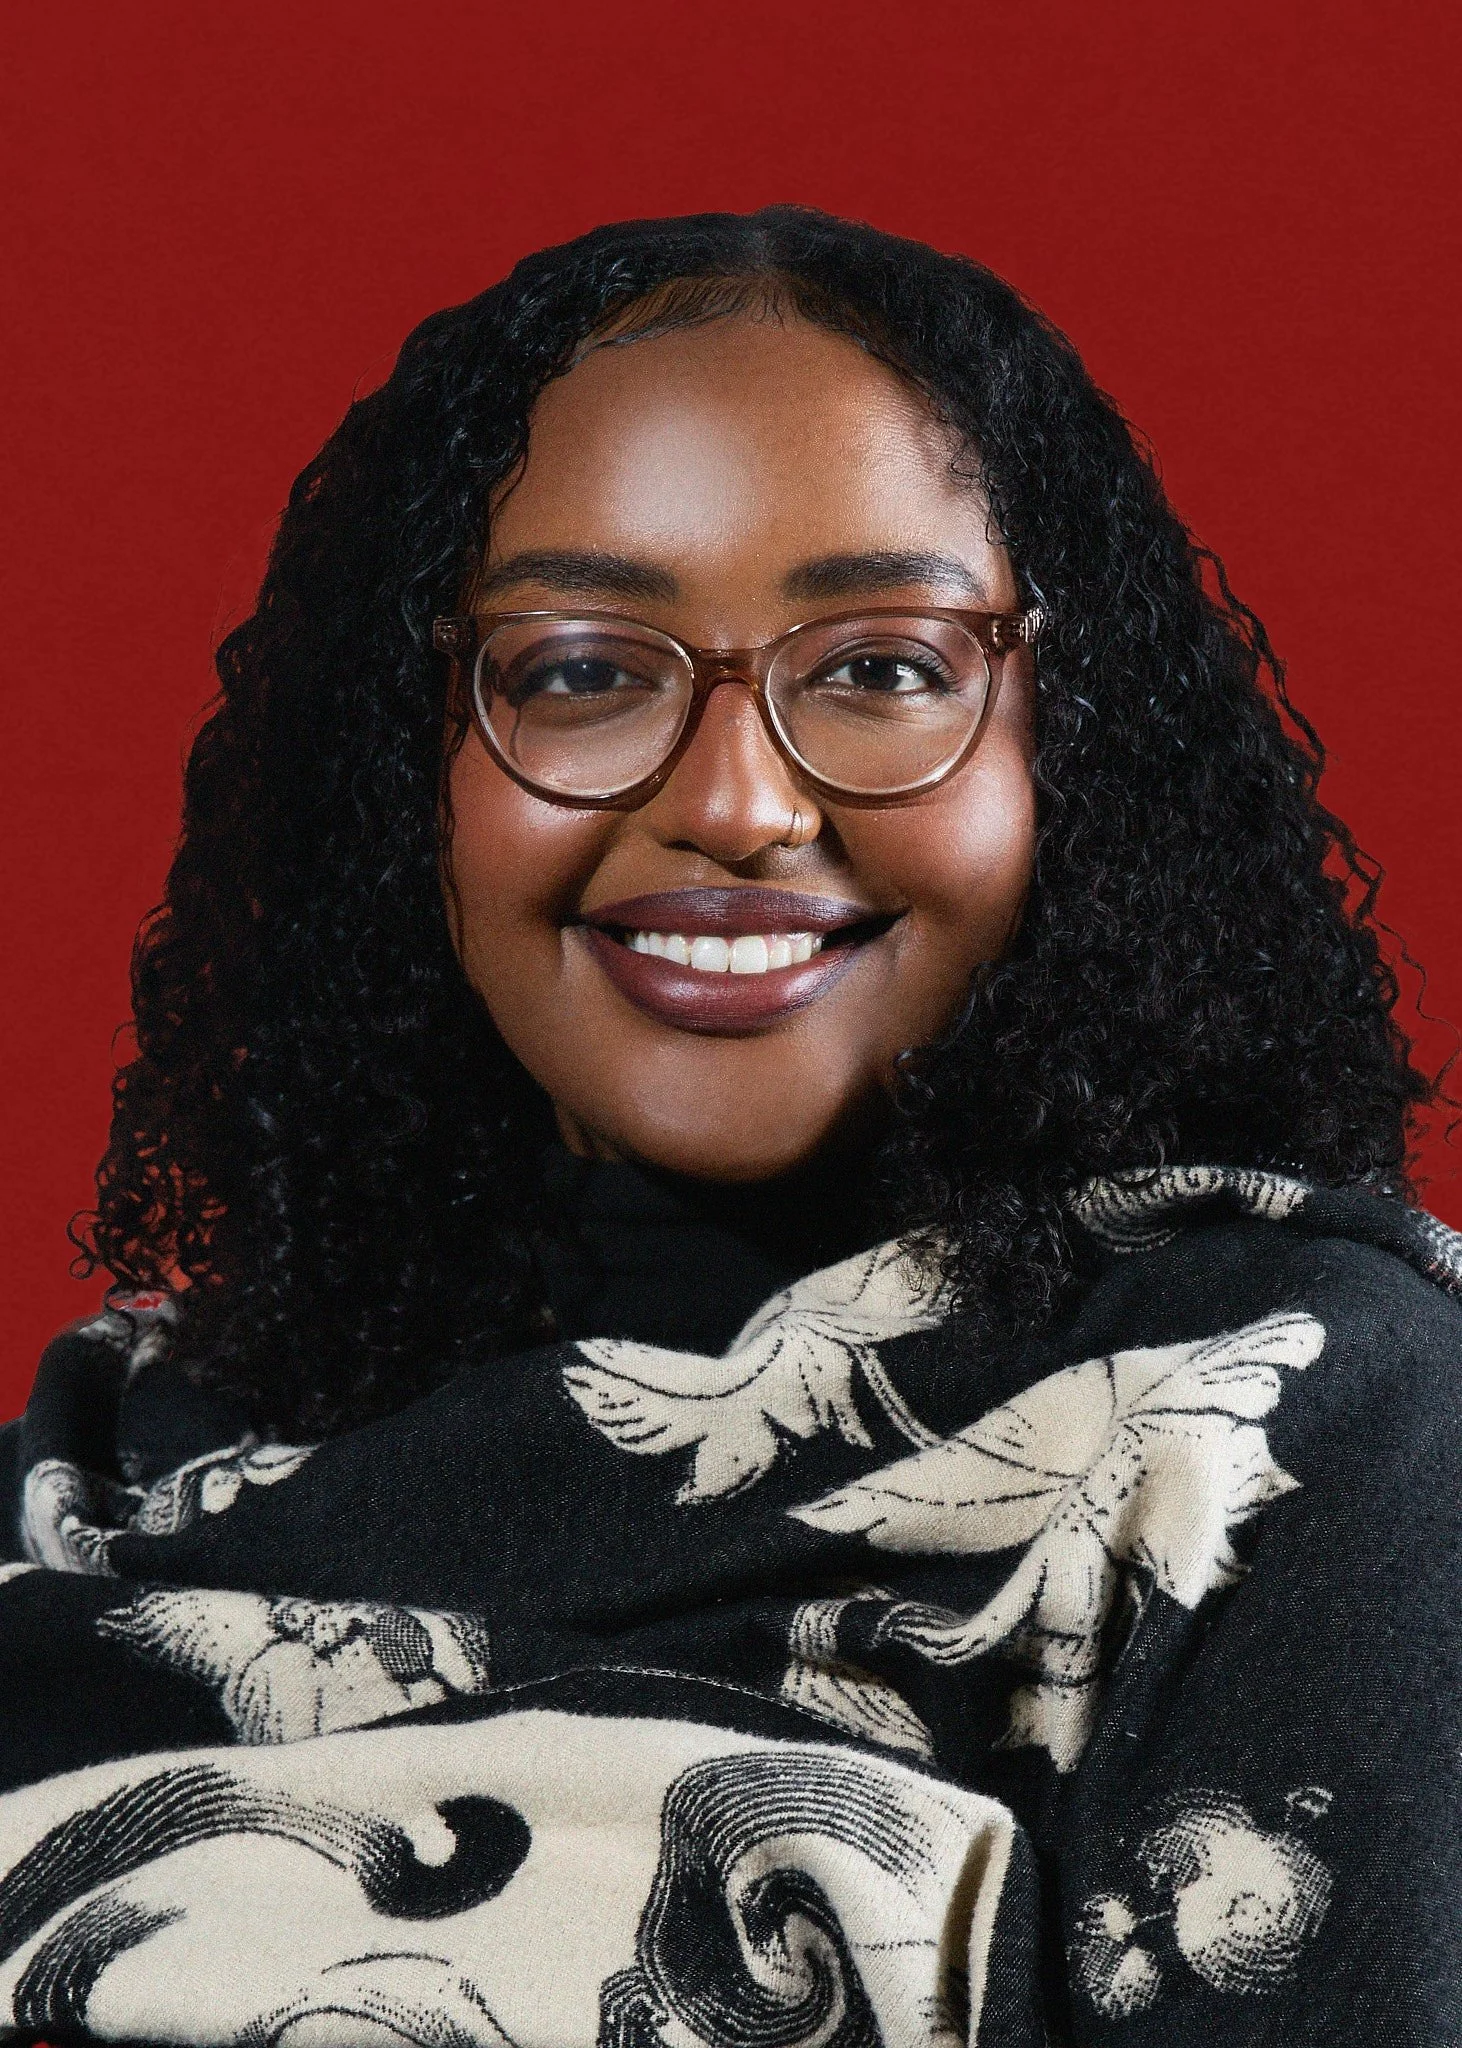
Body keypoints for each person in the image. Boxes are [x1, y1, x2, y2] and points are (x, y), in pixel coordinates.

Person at [0, 206, 1456, 2046]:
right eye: (582, 671)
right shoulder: (104, 1472)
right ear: (405, 768)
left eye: (880, 665)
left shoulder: (1289, 1419)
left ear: (1060, 744)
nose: (739, 803)